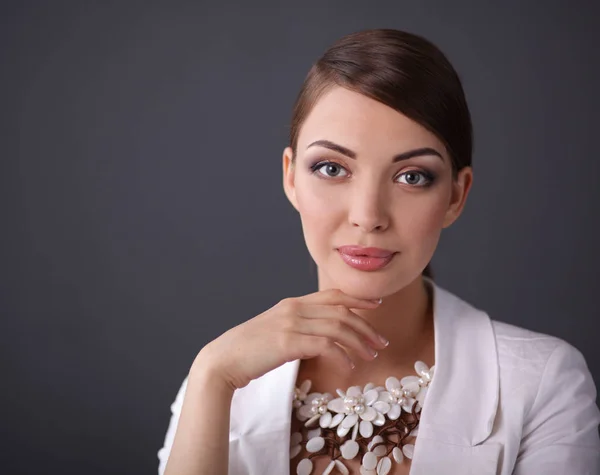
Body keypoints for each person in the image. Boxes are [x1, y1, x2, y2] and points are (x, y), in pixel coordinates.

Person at [157, 28, 600, 475]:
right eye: (331, 168)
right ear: (291, 178)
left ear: (455, 196)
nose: (368, 216)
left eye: (411, 176)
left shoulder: (542, 382)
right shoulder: (221, 380)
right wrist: (211, 374)